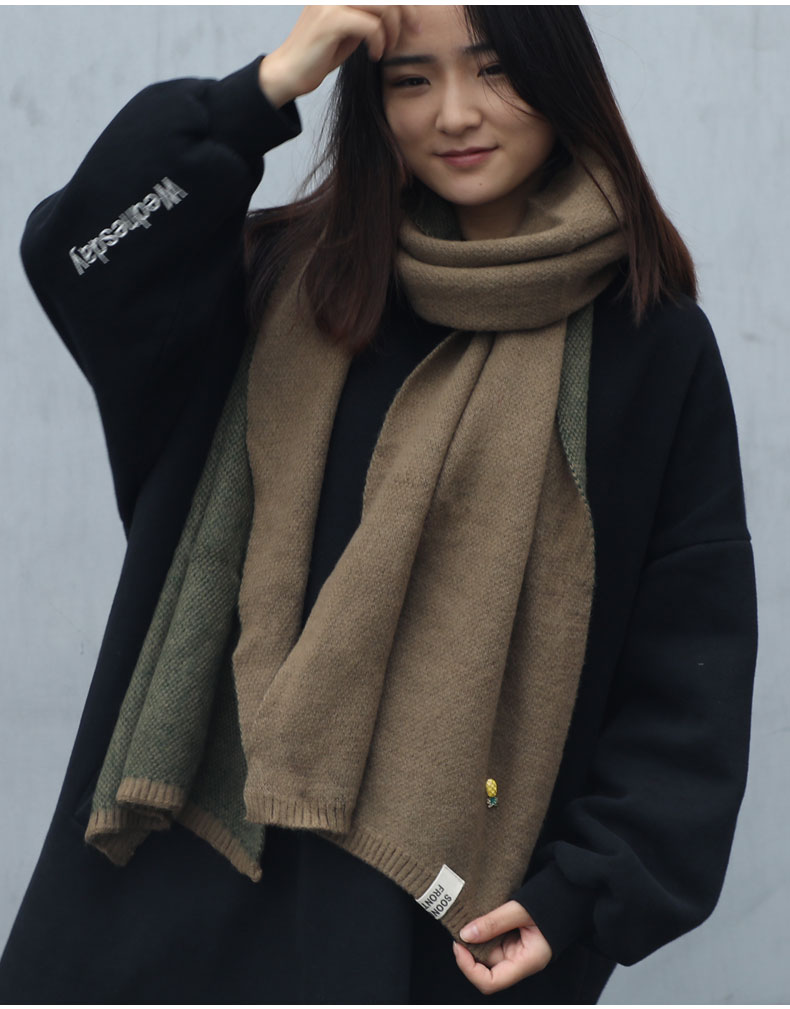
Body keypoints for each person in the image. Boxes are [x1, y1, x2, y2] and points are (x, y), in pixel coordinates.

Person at [0, 5, 757, 1004]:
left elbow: (688, 658)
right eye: (409, 80)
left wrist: (583, 891)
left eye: (493, 70)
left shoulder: (646, 347)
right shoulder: (274, 281)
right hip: (173, 888)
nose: (454, 113)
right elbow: (81, 249)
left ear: (561, 80)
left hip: (426, 935)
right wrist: (262, 91)